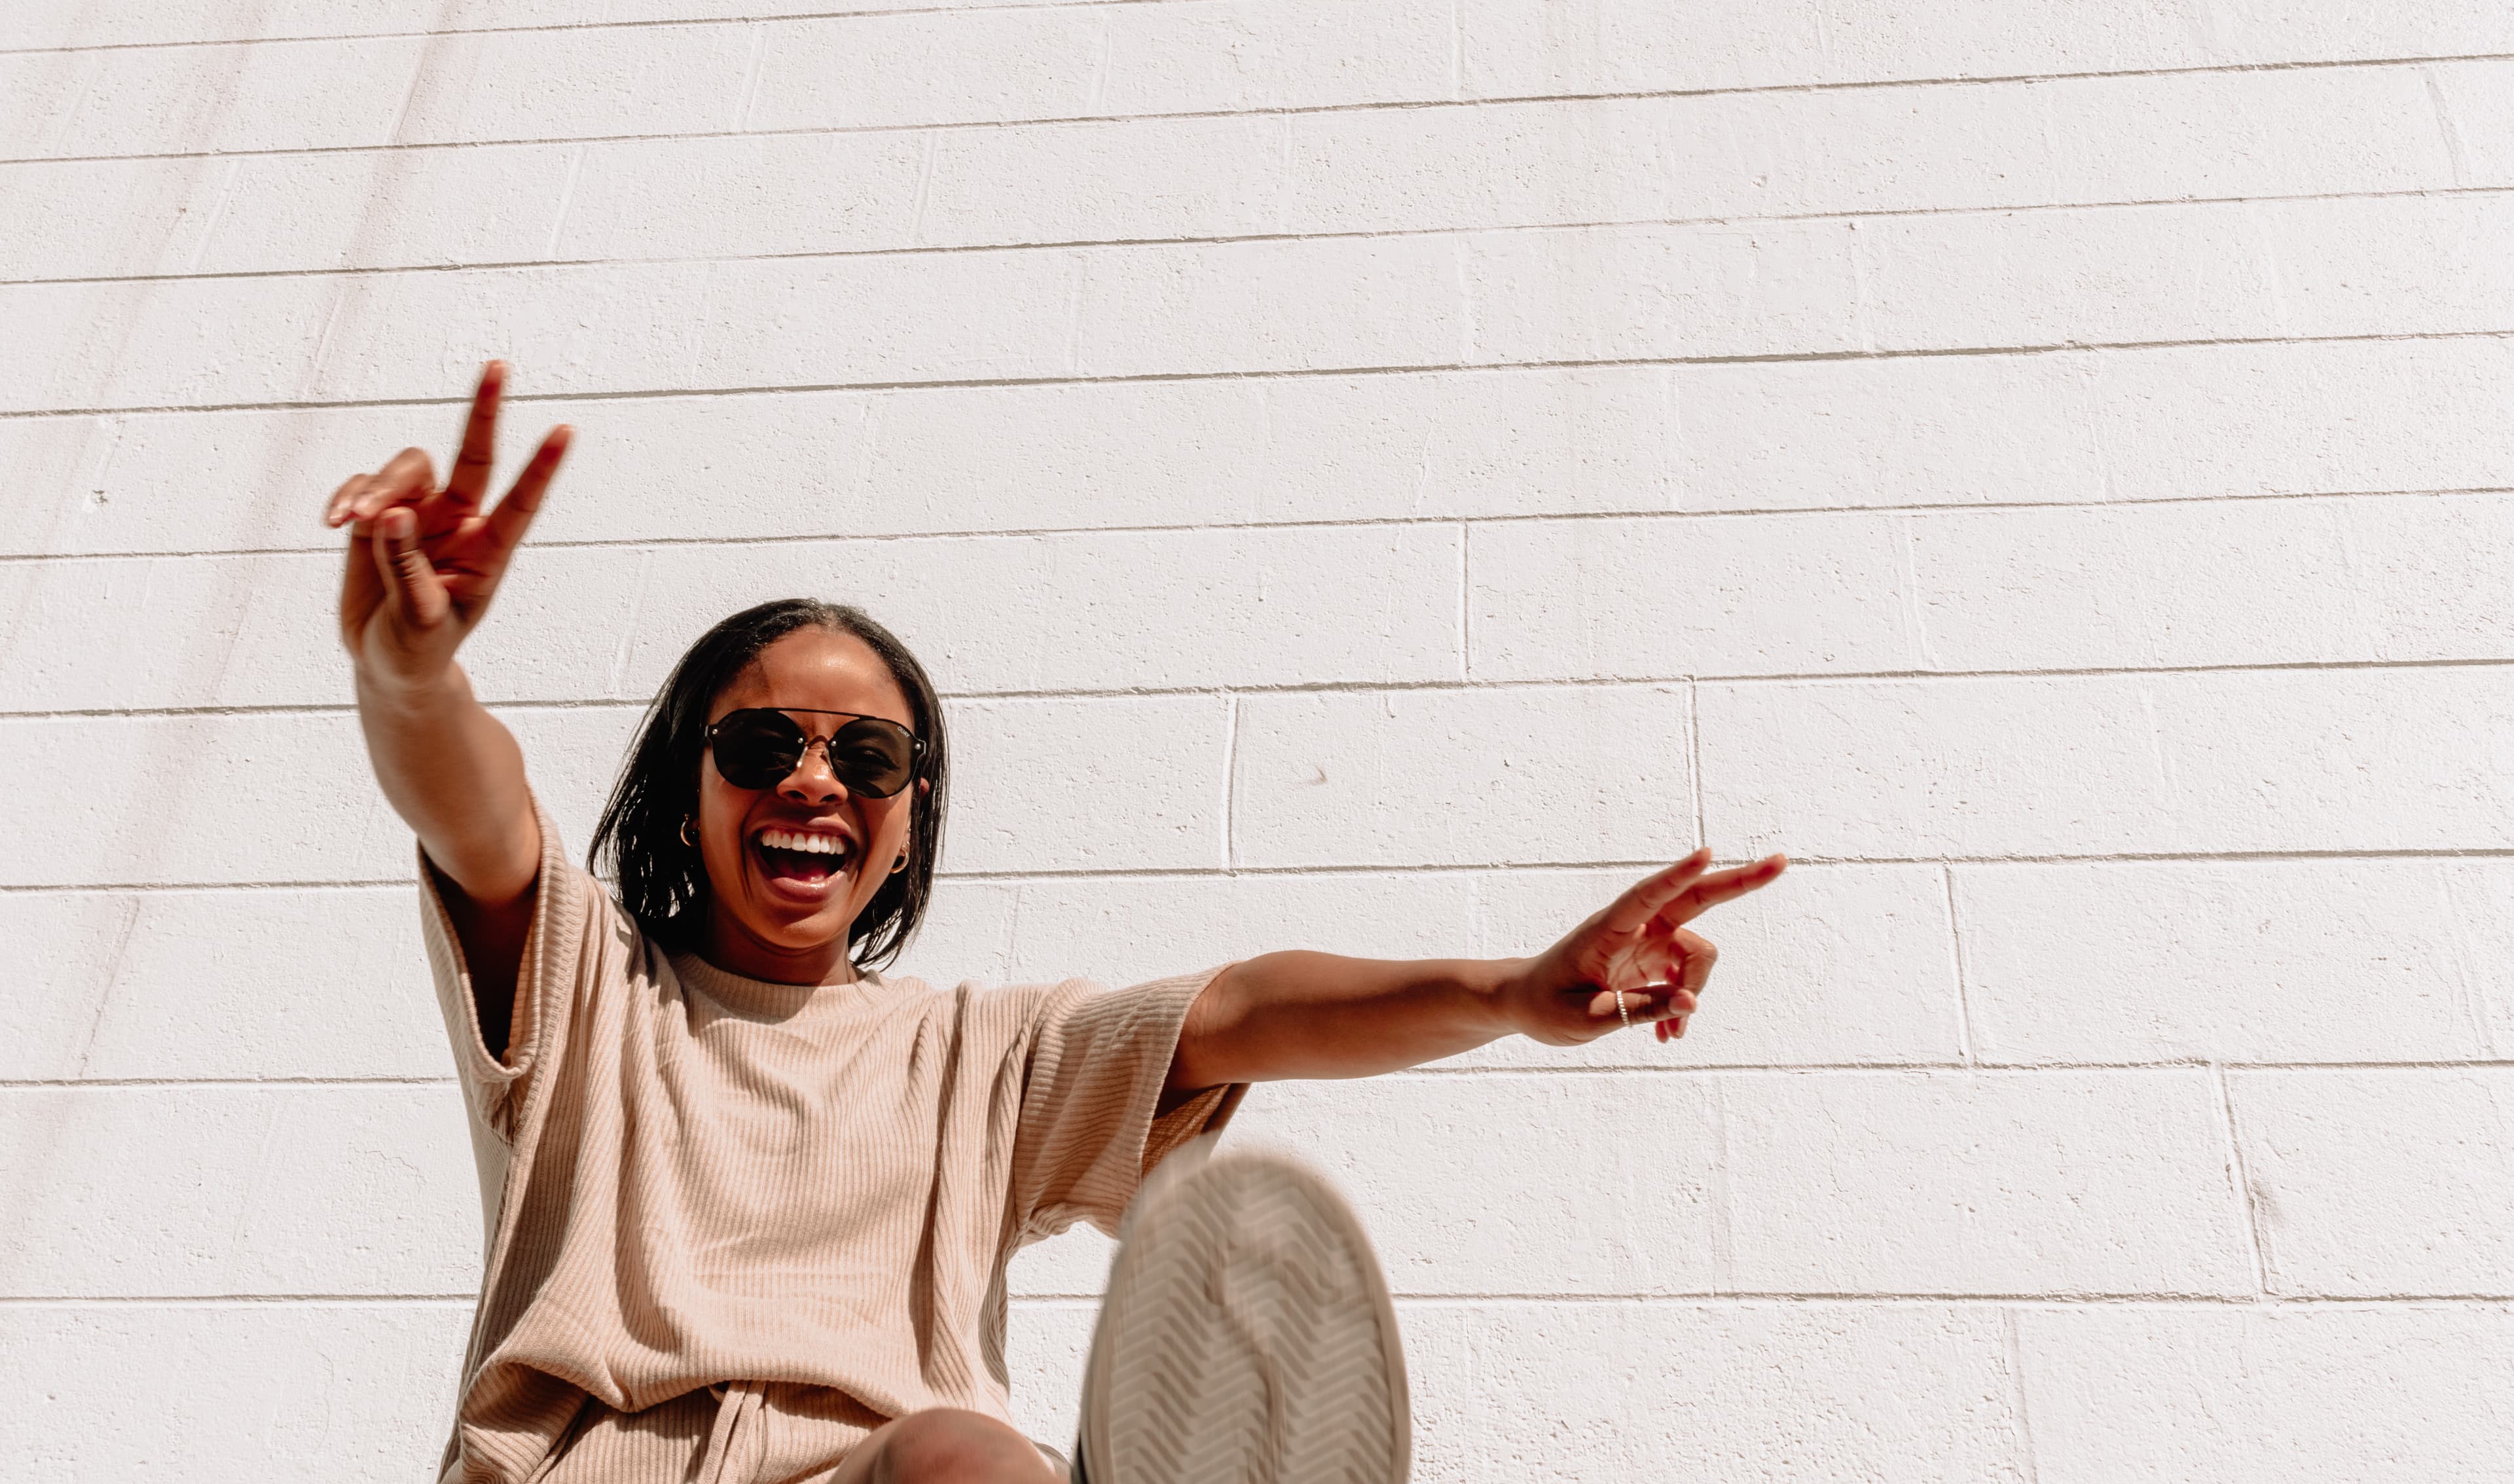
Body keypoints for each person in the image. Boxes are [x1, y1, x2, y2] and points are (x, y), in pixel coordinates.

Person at [327, 361, 1788, 1484]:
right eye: (762, 747)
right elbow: (469, 801)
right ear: (689, 787)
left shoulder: (977, 1056)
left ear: (903, 828)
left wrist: (1512, 987)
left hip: (883, 1479)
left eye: (869, 757)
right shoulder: (594, 989)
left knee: (964, 1450)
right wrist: (408, 669)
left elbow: (1244, 1009)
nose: (815, 777)